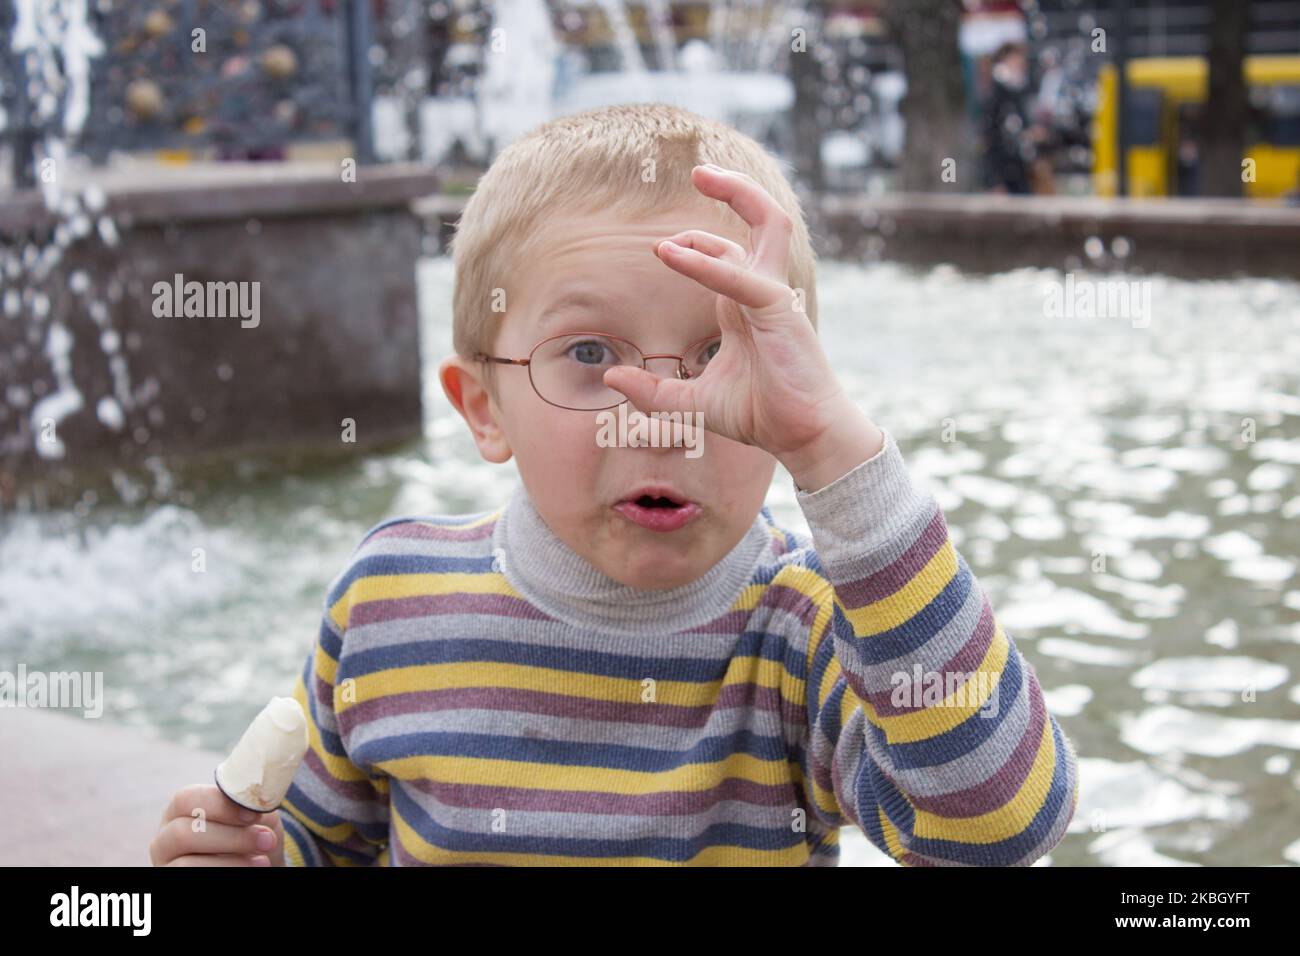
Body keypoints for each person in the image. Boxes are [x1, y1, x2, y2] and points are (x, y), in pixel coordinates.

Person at [150, 103, 1080, 867]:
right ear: (483, 407)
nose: (662, 414)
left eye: (724, 352)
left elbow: (995, 825)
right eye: (589, 355)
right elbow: (329, 843)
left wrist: (836, 455)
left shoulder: (803, 635)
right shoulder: (389, 602)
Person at [981, 42, 1046, 195]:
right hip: (1005, 173)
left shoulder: (1025, 91)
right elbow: (989, 139)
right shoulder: (996, 95)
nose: (1019, 64)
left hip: (1025, 174)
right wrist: (994, 181)